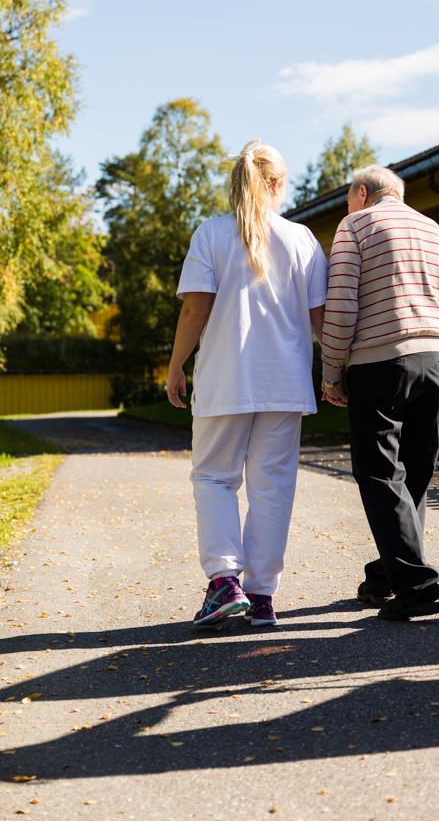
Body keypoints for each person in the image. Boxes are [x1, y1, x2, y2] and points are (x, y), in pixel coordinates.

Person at [166, 140, 328, 629]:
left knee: (214, 478)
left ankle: (223, 582)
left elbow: (195, 309)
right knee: (272, 489)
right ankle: (260, 597)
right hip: (285, 383)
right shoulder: (302, 239)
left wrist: (176, 366)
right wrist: (337, 372)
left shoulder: (211, 234)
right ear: (277, 185)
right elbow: (322, 319)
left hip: (224, 381)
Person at [321, 166, 439, 621]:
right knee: (414, 476)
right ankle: (388, 575)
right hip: (435, 361)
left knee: (381, 473)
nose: (348, 207)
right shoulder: (435, 231)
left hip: (379, 363)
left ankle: (418, 588)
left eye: (349, 198)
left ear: (362, 193)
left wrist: (331, 371)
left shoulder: (357, 225)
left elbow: (342, 303)